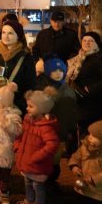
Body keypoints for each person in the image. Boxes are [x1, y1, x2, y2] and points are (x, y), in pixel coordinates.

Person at [12, 89, 60, 204]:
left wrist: (37, 156)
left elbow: (52, 144)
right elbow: (20, 135)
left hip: (38, 165)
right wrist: (17, 147)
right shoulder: (28, 120)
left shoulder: (45, 126)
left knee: (38, 186)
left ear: (42, 108)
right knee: (28, 183)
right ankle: (29, 202)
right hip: (27, 162)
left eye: (31, 106)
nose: (27, 108)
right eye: (27, 105)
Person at [65, 32, 102, 155]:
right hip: (77, 98)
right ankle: (74, 151)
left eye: (90, 41)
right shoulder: (78, 57)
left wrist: (91, 89)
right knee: (75, 125)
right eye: (84, 40)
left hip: (93, 100)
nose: (87, 43)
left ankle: (88, 152)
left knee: (89, 127)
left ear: (97, 43)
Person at [35, 57, 79, 192]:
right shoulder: (41, 87)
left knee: (55, 159)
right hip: (44, 131)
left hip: (59, 131)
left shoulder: (66, 88)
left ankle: (50, 182)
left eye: (61, 70)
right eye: (55, 70)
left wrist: (69, 130)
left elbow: (70, 113)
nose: (58, 73)